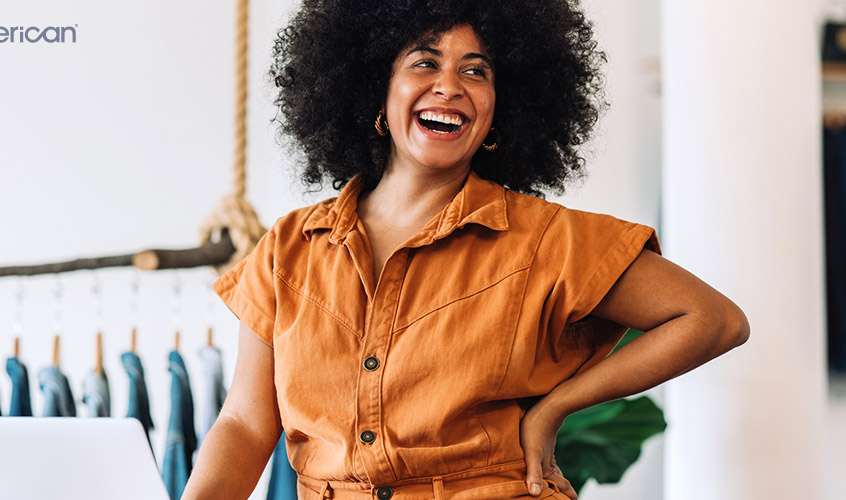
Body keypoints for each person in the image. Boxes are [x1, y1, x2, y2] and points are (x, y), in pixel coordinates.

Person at [182, 1, 749, 499]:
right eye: (425, 62)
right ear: (376, 88)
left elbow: (713, 320)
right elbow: (246, 424)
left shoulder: (545, 240)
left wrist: (556, 407)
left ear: (500, 109)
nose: (449, 85)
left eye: (475, 71)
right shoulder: (288, 247)